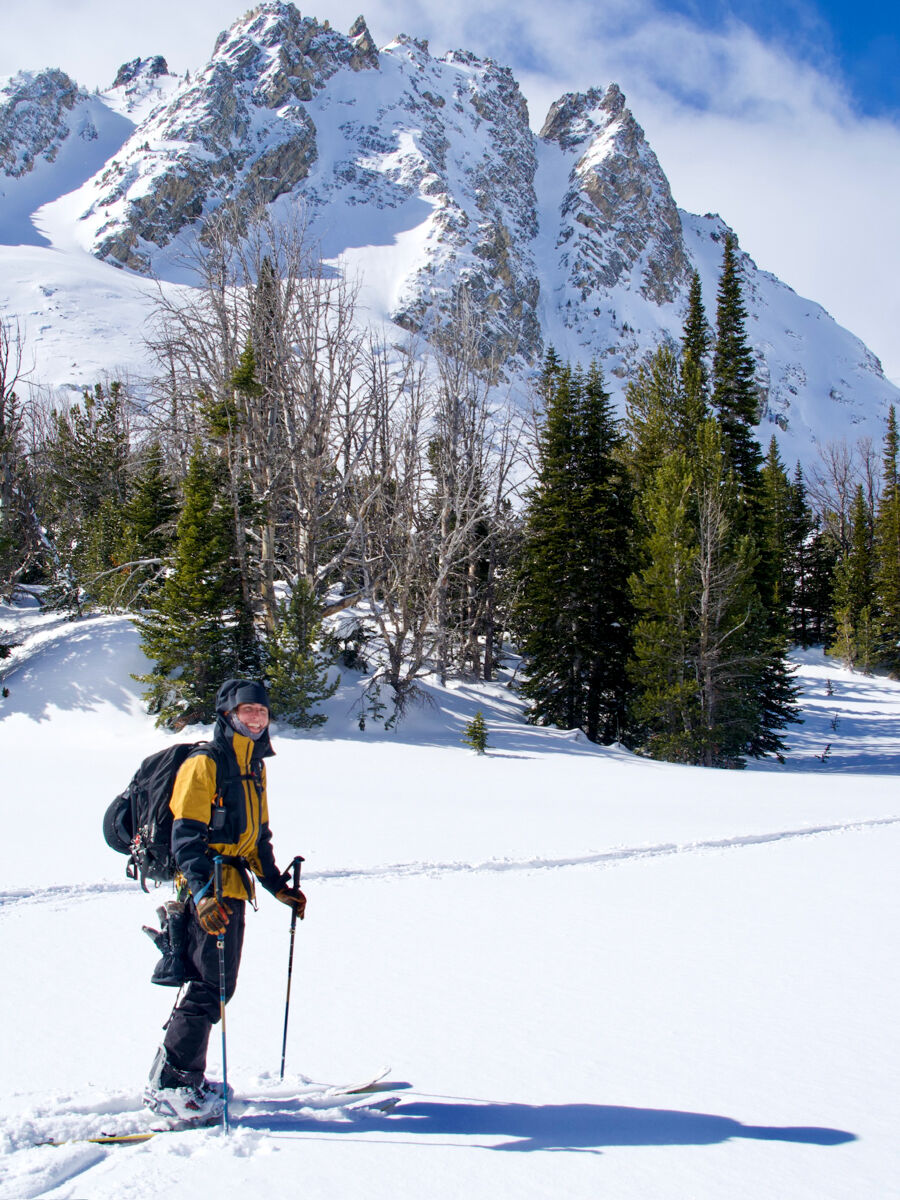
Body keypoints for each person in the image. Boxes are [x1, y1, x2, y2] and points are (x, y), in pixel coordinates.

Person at [143, 678, 306, 1121]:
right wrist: (200, 895)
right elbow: (186, 837)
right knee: (210, 987)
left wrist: (277, 886)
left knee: (212, 985)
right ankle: (172, 1084)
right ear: (227, 714)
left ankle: (182, 1074)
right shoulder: (205, 763)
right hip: (207, 889)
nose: (255, 719)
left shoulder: (254, 766)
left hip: (231, 889)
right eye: (246, 711)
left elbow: (256, 837)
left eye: (261, 712)